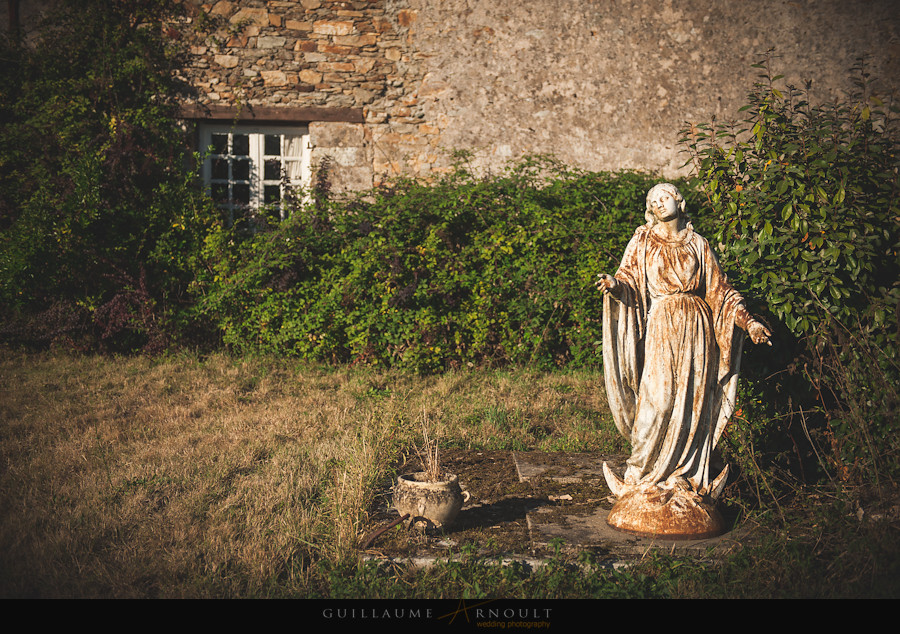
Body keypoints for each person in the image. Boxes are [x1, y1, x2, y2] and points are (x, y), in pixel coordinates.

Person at [596, 183, 771, 498]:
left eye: (664, 197)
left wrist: (750, 322)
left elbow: (721, 291)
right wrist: (615, 285)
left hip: (697, 327)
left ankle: (683, 477)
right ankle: (638, 476)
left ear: (678, 200)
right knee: (658, 402)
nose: (659, 203)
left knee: (692, 406)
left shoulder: (699, 244)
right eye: (653, 201)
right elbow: (629, 279)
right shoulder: (644, 239)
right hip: (663, 323)